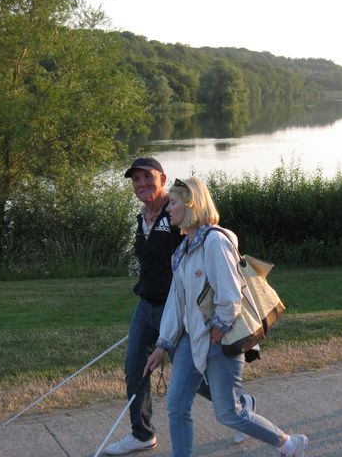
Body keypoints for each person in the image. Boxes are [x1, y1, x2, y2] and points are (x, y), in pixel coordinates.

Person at [144, 176, 308, 457]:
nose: (167, 209)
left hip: (220, 340)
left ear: (191, 203)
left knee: (228, 413)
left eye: (172, 202)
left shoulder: (215, 242)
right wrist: (163, 344)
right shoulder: (182, 251)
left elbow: (230, 295)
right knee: (176, 405)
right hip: (191, 339)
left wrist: (218, 330)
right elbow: (176, 303)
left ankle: (289, 444)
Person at [105, 158, 251, 456]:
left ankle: (238, 405)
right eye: (136, 179)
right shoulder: (142, 218)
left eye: (148, 177)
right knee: (135, 370)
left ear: (162, 179)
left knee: (193, 376)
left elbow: (206, 245)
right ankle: (142, 434)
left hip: (179, 312)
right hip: (146, 306)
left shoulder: (176, 217)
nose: (142, 184)